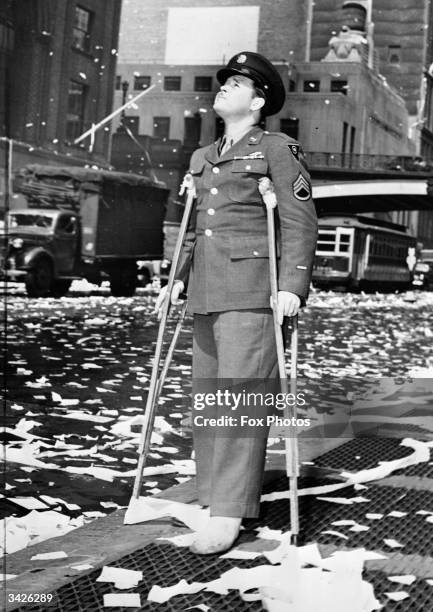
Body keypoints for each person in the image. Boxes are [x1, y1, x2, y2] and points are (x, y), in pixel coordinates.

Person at [156, 51, 318, 554]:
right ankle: (216, 499)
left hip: (253, 292)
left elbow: (298, 220)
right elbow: (191, 228)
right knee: (209, 403)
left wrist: (292, 285)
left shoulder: (277, 148)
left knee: (239, 405)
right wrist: (175, 278)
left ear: (259, 99)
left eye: (237, 82)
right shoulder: (202, 158)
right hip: (205, 292)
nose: (223, 87)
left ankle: (228, 516)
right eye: (223, 81)